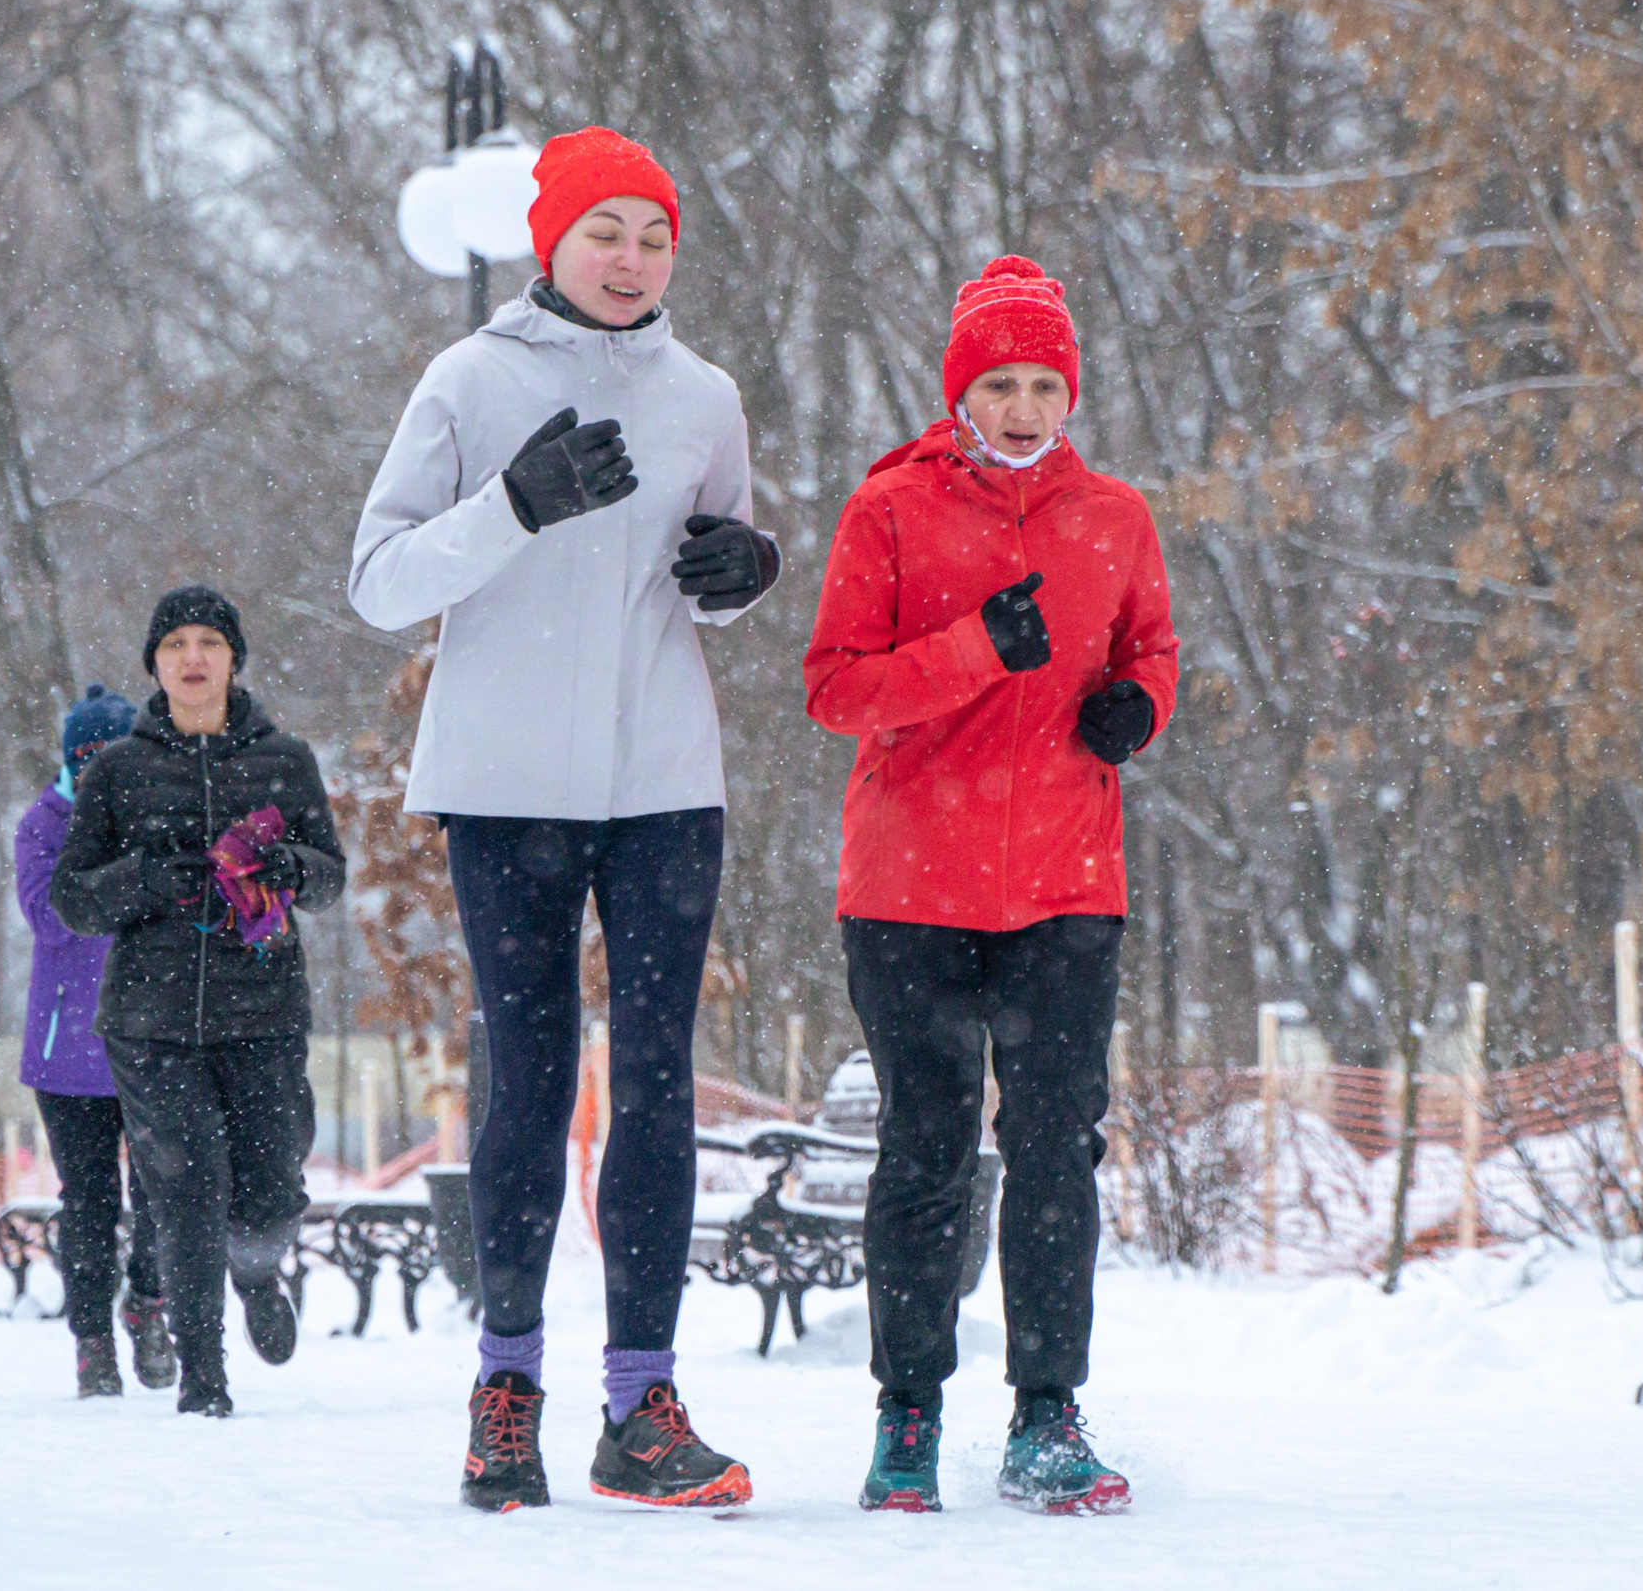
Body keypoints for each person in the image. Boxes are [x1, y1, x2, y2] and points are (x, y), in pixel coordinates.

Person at [349, 126, 779, 1513]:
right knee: (530, 1073)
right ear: (551, 241)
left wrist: (743, 569)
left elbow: (704, 573)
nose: (632, 259)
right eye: (606, 232)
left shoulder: (705, 393)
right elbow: (380, 576)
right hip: (508, 779)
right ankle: (508, 1388)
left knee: (657, 1078)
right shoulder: (469, 379)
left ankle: (640, 1402)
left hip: (662, 780)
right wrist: (514, 503)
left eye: (654, 236)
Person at [803, 255, 1179, 1515]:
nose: (1023, 408)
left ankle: (1045, 1418)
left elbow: (1152, 647)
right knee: (925, 1151)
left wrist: (1139, 706)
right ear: (961, 391)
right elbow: (834, 687)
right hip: (910, 885)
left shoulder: (1115, 516)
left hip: (1066, 885)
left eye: (1044, 384)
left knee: (1056, 1151)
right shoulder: (894, 511)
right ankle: (906, 1418)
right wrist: (975, 651)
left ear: (1069, 393)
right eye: (999, 384)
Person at [50, 587, 346, 1418]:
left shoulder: (284, 759)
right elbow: (73, 897)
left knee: (271, 1186)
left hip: (265, 1012)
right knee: (183, 1188)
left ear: (232, 657)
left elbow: (331, 875)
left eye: (209, 641)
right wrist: (142, 880)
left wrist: (288, 866)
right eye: (175, 641)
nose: (192, 656)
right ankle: (203, 1376)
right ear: (154, 661)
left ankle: (256, 1269)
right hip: (152, 1021)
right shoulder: (117, 770)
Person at [15, 684, 173, 1399]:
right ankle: (92, 1340)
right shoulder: (43, 824)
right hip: (68, 1055)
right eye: (91, 757)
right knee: (89, 1204)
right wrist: (125, 870)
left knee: (166, 1195)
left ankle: (147, 1304)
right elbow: (52, 915)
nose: (103, 768)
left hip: (151, 1040)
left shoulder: (158, 813)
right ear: (73, 760)